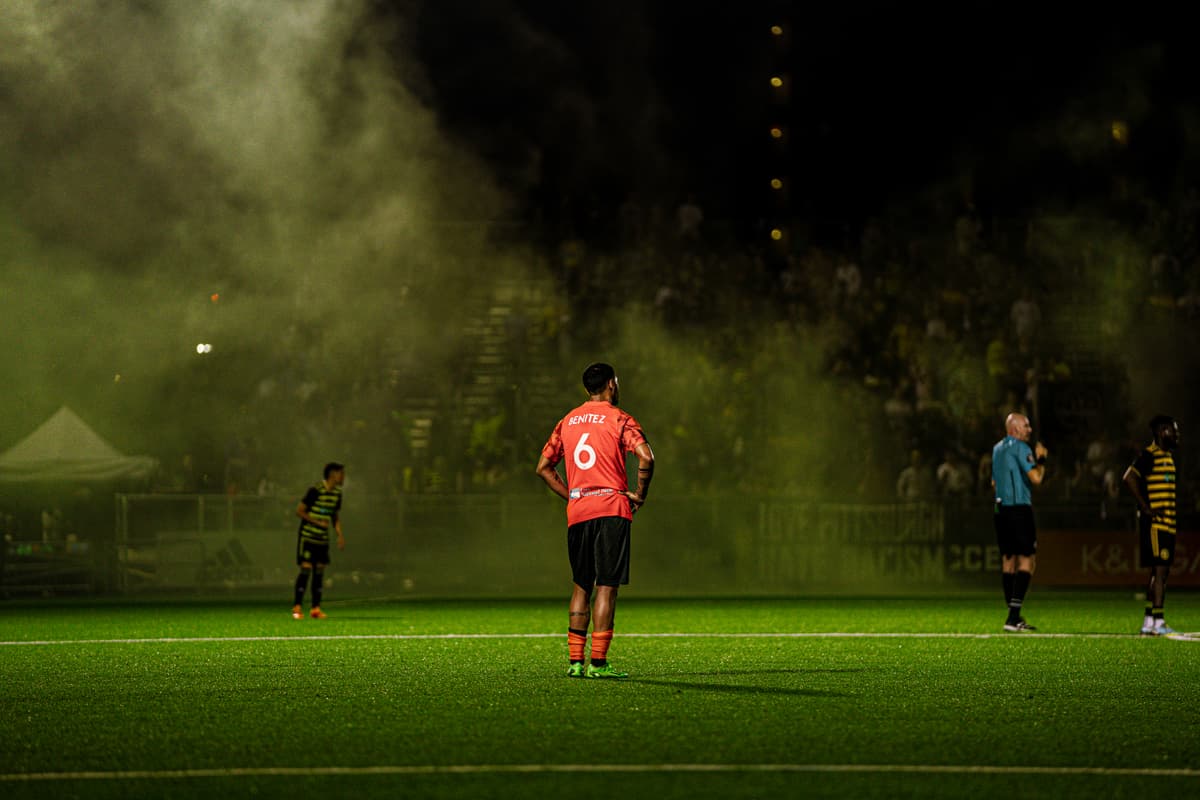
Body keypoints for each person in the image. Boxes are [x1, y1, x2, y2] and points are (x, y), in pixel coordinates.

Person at [536, 363, 655, 679]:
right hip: (611, 508)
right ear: (612, 385)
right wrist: (639, 494)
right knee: (606, 586)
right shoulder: (620, 419)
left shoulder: (567, 421)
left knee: (580, 585)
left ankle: (575, 662)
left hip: (579, 512)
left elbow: (544, 467)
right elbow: (646, 456)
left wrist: (573, 496)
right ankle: (598, 664)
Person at [1122, 415, 1181, 636]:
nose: (1176, 435)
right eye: (1173, 431)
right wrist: (1146, 507)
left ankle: (1149, 621)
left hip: (1167, 523)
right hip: (1157, 525)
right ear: (1161, 431)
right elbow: (1129, 477)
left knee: (1158, 574)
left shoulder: (1168, 456)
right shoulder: (1150, 455)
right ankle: (1158, 621)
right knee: (1160, 572)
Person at [991, 412, 1048, 632]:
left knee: (1008, 562)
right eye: (1026, 425)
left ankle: (1013, 615)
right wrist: (1041, 458)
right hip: (1019, 509)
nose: (1030, 429)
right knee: (1027, 562)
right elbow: (1037, 478)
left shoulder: (997, 449)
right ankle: (1013, 617)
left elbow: (993, 480)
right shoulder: (1022, 448)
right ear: (1014, 428)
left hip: (1000, 508)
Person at [292, 462, 345, 620]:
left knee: (319, 572)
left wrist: (339, 534)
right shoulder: (315, 490)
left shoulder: (337, 493)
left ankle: (315, 608)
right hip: (308, 536)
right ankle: (297, 607)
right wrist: (317, 522)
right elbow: (299, 511)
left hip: (322, 539)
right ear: (332, 474)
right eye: (341, 473)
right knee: (306, 569)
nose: (343, 477)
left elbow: (334, 516)